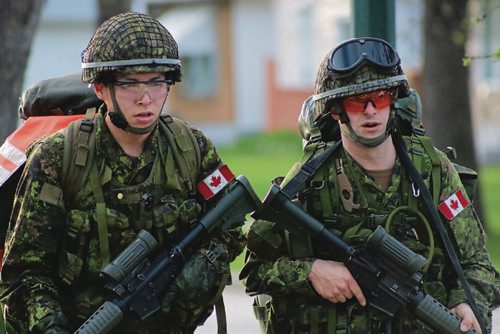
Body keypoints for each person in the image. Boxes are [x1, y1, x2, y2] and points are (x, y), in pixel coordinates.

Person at [0, 12, 245, 333]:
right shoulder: (57, 157)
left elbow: (231, 225)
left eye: (157, 82)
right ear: (100, 88)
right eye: (130, 84)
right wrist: (50, 326)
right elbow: (24, 273)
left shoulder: (191, 148)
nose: (146, 98)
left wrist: (201, 266)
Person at [240, 37, 500, 333]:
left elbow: (477, 263)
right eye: (356, 101)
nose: (371, 111)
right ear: (336, 111)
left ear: (394, 101)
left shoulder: (431, 169)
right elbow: (255, 270)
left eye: (380, 98)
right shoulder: (311, 179)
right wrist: (311, 271)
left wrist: (466, 302)